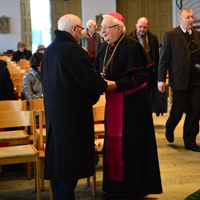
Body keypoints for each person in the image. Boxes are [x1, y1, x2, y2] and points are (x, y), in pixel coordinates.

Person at [94, 12, 162, 199]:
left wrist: (116, 85)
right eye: (102, 28)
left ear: (118, 28)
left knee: (131, 147)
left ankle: (133, 189)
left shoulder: (132, 46)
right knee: (113, 146)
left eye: (105, 28)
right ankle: (114, 187)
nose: (102, 31)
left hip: (133, 107)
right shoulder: (104, 47)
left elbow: (142, 76)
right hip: (113, 104)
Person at [40, 14, 107, 200]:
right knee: (70, 162)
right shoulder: (73, 50)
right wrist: (101, 86)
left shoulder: (50, 50)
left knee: (59, 162)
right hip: (73, 117)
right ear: (74, 29)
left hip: (54, 115)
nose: (82, 33)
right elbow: (90, 81)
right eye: (81, 29)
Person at [158, 8, 200, 152]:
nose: (190, 20)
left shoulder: (197, 35)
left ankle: (190, 141)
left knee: (195, 110)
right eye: (187, 17)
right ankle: (170, 127)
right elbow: (164, 59)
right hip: (179, 79)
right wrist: (161, 79)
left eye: (192, 17)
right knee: (178, 109)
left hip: (196, 80)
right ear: (179, 20)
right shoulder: (170, 34)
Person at [129, 17, 159, 94]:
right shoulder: (129, 38)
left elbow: (156, 57)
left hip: (150, 73)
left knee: (149, 96)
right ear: (136, 26)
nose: (142, 29)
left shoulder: (153, 38)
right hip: (136, 73)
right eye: (140, 27)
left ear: (148, 27)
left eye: (145, 27)